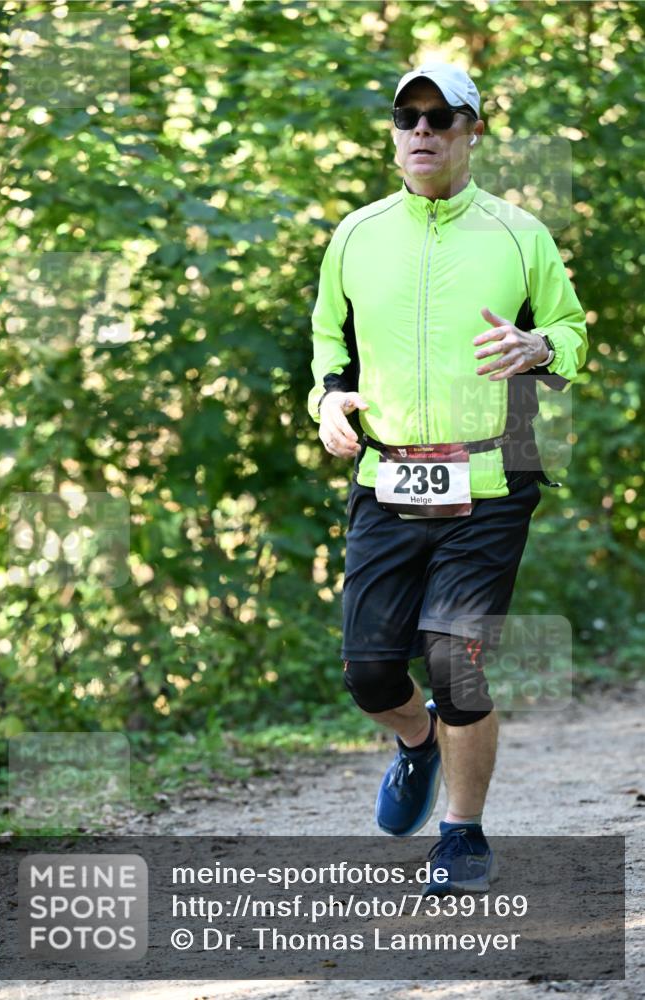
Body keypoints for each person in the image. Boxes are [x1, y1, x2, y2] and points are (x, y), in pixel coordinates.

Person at [307, 61, 587, 893]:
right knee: (367, 672)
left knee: (453, 657)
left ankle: (461, 837)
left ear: (472, 130)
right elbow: (328, 339)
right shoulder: (355, 235)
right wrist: (327, 401)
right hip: (387, 482)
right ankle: (417, 742)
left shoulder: (517, 233)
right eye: (407, 117)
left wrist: (541, 348)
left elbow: (569, 330)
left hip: (491, 480)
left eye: (439, 116)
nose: (420, 130)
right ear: (394, 133)